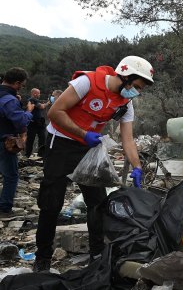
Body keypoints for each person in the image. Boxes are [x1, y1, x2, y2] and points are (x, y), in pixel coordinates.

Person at [34, 56, 154, 272]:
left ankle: (97, 254)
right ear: (124, 76)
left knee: (97, 203)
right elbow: (54, 113)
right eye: (136, 86)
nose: (137, 92)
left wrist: (137, 166)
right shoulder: (87, 83)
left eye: (141, 89)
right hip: (60, 143)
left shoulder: (126, 104)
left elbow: (128, 139)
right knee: (51, 203)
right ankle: (43, 258)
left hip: (88, 149)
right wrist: (82, 134)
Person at [0, 68, 34, 219]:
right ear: (17, 83)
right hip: (4, 143)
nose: (21, 87)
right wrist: (28, 111)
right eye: (22, 85)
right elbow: (20, 122)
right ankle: (5, 209)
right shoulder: (9, 100)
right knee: (11, 176)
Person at [25, 88, 49, 159]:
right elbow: (41, 106)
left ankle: (41, 155)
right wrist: (48, 103)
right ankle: (27, 155)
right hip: (33, 124)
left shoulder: (36, 100)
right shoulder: (32, 99)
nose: (39, 94)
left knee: (42, 139)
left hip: (40, 123)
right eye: (38, 93)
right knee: (30, 140)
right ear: (34, 93)